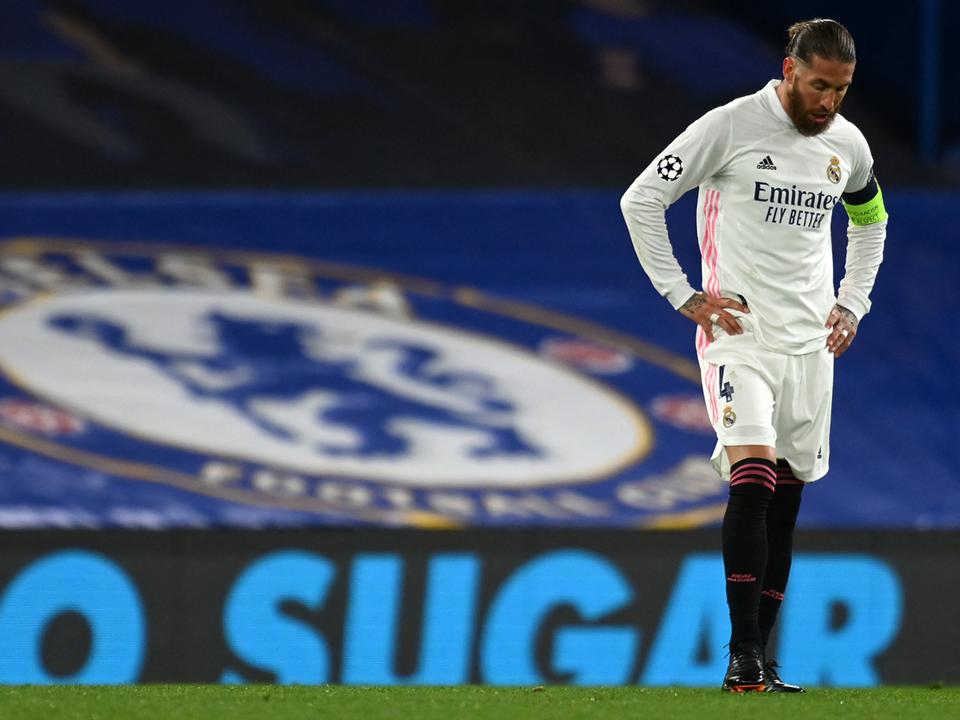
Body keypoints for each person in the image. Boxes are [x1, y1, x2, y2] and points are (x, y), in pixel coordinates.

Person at [620, 18, 887, 692]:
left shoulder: (848, 146)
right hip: (740, 337)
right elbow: (642, 198)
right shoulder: (730, 126)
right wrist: (681, 293)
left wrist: (853, 301)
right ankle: (741, 654)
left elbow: (870, 221)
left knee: (786, 501)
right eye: (819, 85)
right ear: (790, 69)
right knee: (755, 477)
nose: (829, 102)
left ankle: (761, 664)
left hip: (810, 347)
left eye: (841, 89)